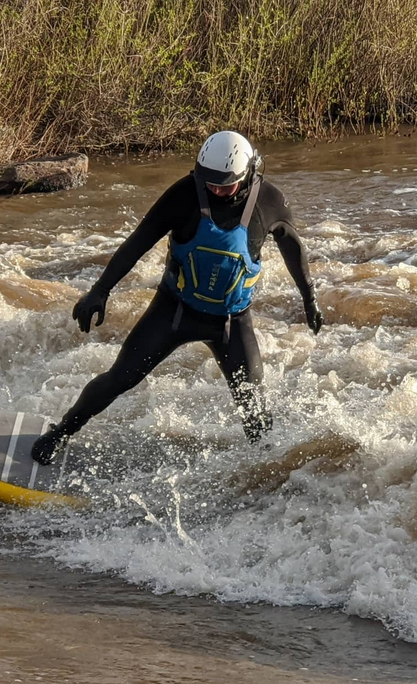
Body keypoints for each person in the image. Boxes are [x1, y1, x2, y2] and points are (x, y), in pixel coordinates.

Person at [32, 131, 323, 465]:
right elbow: (138, 241)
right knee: (120, 378)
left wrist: (309, 298)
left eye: (224, 184)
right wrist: (100, 290)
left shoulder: (270, 201)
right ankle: (62, 432)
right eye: (208, 181)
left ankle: (265, 476)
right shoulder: (183, 196)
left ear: (247, 175)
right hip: (174, 312)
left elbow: (293, 248)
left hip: (232, 322)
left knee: (254, 406)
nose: (215, 189)